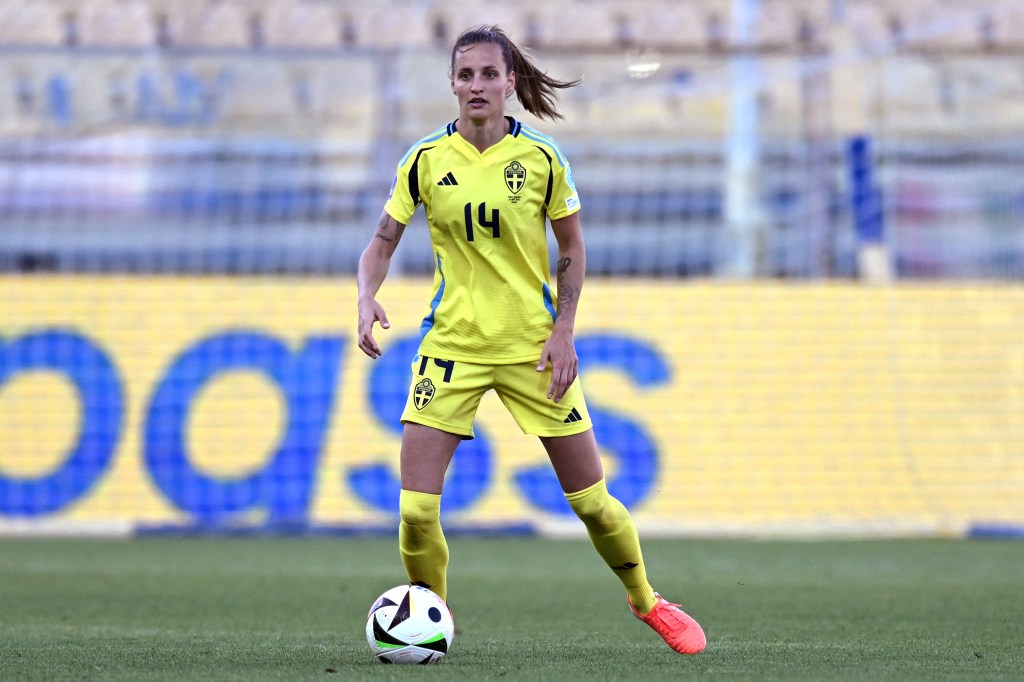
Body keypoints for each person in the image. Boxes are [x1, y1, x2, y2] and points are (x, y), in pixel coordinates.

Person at [356, 25, 706, 656]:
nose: (477, 86)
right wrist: (365, 295)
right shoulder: (425, 161)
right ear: (453, 85)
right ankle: (432, 620)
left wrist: (565, 330)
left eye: (489, 74)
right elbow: (382, 242)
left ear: (510, 81)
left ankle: (648, 601)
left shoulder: (542, 159)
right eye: (465, 76)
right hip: (451, 349)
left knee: (594, 504)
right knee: (414, 514)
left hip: (533, 350)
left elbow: (571, 248)